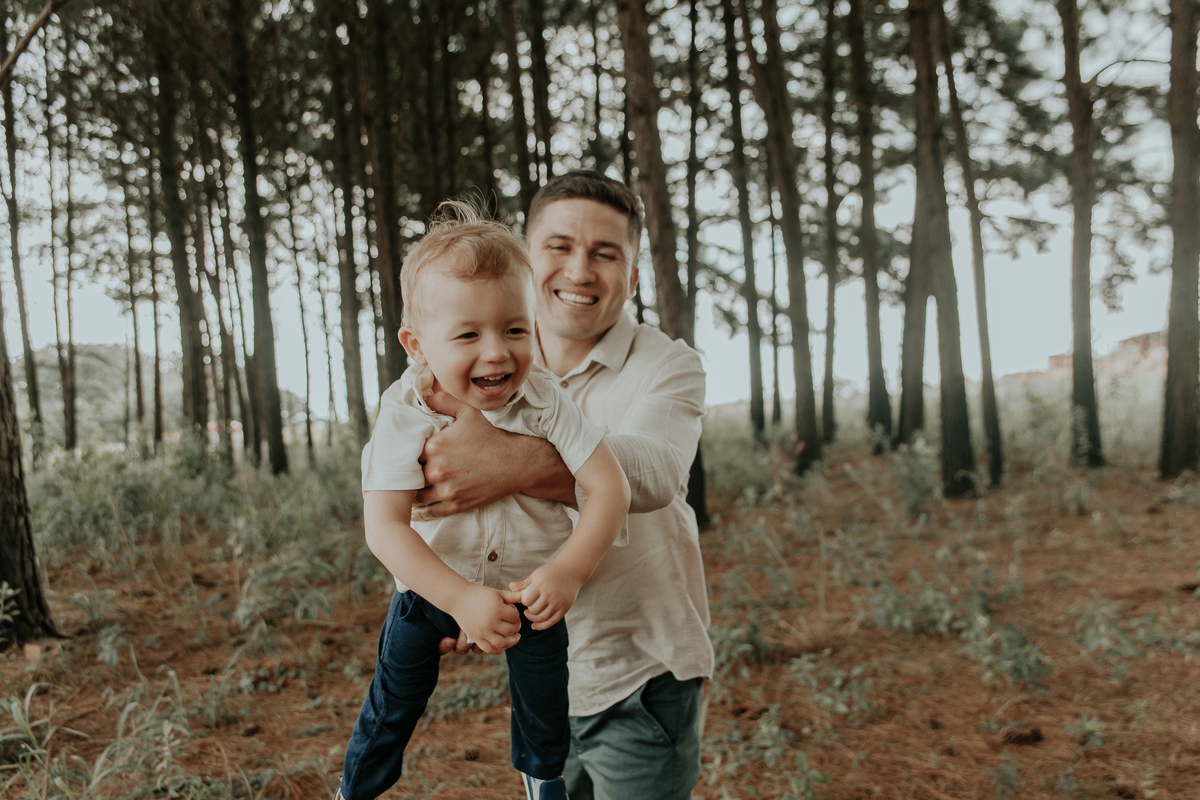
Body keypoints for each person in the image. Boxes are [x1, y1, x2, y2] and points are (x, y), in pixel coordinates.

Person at [418, 171, 715, 800]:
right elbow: (437, 496)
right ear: (526, 264)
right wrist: (451, 598)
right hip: (539, 674)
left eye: (605, 254)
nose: (580, 271)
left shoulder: (668, 364)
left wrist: (509, 462)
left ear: (632, 278)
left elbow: (658, 470)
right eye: (559, 247)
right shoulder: (481, 370)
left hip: (640, 676)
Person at [337, 202, 631, 800]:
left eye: (515, 330)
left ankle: (543, 780)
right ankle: (355, 790)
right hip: (429, 593)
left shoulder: (545, 399)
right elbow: (384, 528)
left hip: (530, 592)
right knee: (392, 705)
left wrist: (569, 572)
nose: (496, 352)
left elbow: (610, 488)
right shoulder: (405, 411)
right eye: (468, 334)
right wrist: (460, 599)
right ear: (418, 345)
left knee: (545, 709)